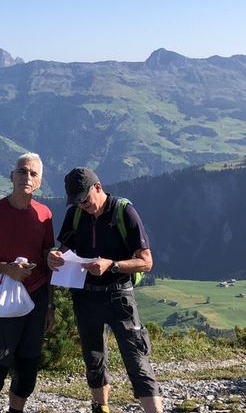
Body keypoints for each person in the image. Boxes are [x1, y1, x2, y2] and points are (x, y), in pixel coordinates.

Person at [47, 167, 163, 413]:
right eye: (77, 202)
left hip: (119, 294)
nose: (82, 205)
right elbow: (64, 251)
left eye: (85, 200)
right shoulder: (75, 215)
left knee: (136, 359)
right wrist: (54, 258)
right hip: (85, 295)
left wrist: (112, 265)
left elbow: (146, 262)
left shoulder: (124, 212)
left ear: (97, 188)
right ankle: (101, 408)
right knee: (94, 359)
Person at [0, 152, 55, 413]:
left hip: (37, 297)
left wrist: (50, 305)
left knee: (29, 363)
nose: (26, 177)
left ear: (39, 182)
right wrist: (7, 269)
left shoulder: (45, 214)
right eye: (22, 171)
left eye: (33, 173)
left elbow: (47, 259)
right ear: (12, 176)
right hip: (3, 298)